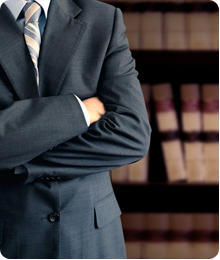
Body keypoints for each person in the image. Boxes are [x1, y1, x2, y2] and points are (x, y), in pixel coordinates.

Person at [0, 0, 151, 258]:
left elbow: (132, 135)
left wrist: (19, 162)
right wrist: (81, 112)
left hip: (92, 238)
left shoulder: (104, 18)